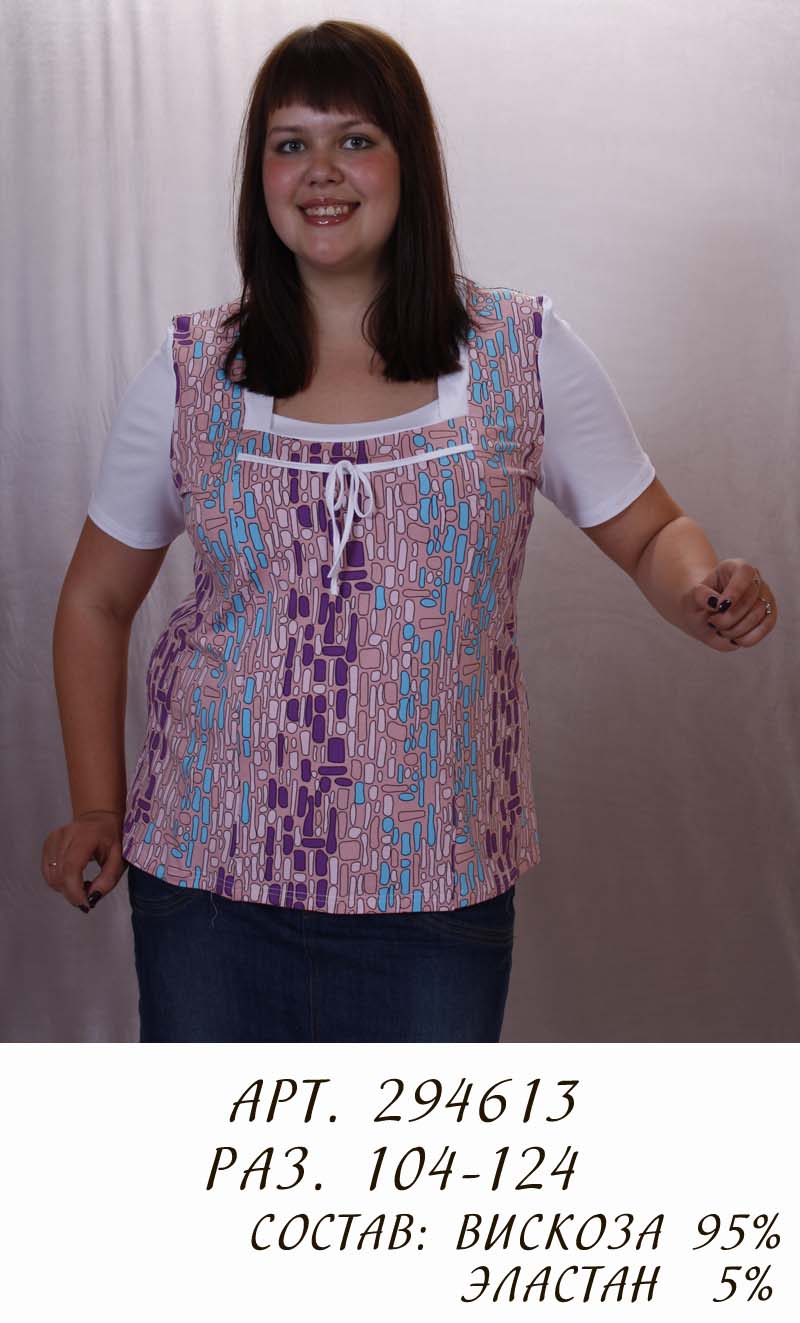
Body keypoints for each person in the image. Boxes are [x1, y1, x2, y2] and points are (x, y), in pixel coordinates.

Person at [44, 20, 778, 1044]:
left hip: (437, 895)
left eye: (355, 139)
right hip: (204, 886)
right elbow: (95, 596)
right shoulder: (193, 374)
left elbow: (653, 533)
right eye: (290, 144)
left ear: (409, 164)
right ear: (260, 177)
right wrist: (96, 804)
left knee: (421, 1152)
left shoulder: (519, 353)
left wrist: (706, 586)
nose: (321, 171)